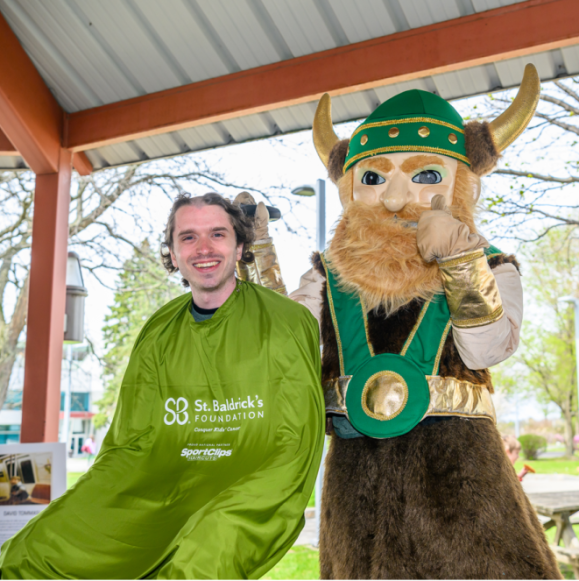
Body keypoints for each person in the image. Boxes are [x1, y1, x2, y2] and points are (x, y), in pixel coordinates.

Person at [239, 65, 560, 578]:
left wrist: (459, 258)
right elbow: (280, 346)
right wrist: (256, 258)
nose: (392, 197)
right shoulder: (326, 279)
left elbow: (485, 350)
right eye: (373, 177)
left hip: (462, 493)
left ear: (460, 182)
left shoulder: (491, 265)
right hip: (355, 493)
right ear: (350, 187)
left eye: (425, 174)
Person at [0, 193, 324, 579]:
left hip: (249, 484)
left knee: (199, 558)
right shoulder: (158, 330)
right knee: (34, 550)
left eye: (217, 234)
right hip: (162, 483)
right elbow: (130, 441)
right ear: (171, 253)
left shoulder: (286, 322)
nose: (203, 248)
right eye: (188, 237)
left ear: (240, 248)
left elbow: (295, 439)